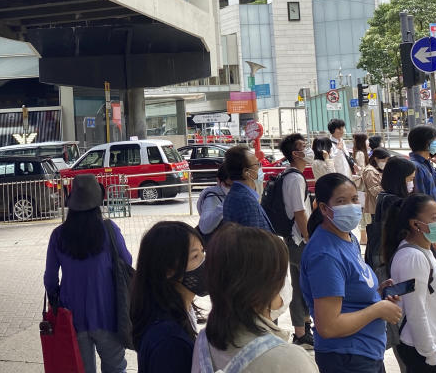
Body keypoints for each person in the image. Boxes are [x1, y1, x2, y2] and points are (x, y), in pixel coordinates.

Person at [300, 174, 402, 373]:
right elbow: (328, 327)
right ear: (323, 208)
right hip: (347, 358)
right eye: (341, 201)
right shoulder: (325, 255)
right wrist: (377, 309)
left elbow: (349, 287)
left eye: (355, 199)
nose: (352, 206)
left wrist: (376, 293)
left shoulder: (347, 238)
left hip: (366, 352)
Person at [191, 224, 318, 373]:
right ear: (260, 288)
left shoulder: (203, 342)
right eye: (281, 277)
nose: (284, 285)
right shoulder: (289, 360)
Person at [44, 174, 131, 373]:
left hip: (72, 317)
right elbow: (127, 261)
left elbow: (50, 277)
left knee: (81, 369)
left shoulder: (58, 235)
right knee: (116, 368)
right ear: (97, 203)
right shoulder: (109, 230)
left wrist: (55, 298)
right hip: (107, 313)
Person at [385, 194, 436, 372]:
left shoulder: (423, 250)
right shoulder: (412, 257)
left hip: (432, 346)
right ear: (415, 224)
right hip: (422, 351)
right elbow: (416, 310)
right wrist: (431, 355)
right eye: (434, 218)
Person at [131, 221, 206, 373]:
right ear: (169, 271)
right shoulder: (170, 343)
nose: (205, 262)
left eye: (203, 252)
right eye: (195, 256)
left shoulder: (175, 313)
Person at [277, 133, 314, 348]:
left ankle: (304, 329)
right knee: (303, 286)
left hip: (294, 239)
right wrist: (309, 238)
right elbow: (299, 212)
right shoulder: (294, 178)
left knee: (301, 285)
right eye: (303, 146)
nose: (307, 149)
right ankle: (301, 332)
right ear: (295, 153)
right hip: (299, 240)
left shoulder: (291, 175)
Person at [365, 155, 416, 273]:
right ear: (398, 179)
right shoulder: (394, 201)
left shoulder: (383, 196)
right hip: (387, 256)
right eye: (410, 179)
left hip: (380, 252)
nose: (412, 183)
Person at [222, 145, 273, 233]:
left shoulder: (239, 194)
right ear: (247, 173)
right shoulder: (245, 200)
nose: (260, 168)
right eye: (257, 164)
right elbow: (254, 240)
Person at [406, 126, 436, 223]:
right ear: (426, 143)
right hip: (428, 224)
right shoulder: (416, 167)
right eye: (434, 140)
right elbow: (420, 201)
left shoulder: (427, 164)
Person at [196, 164, 231, 240]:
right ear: (218, 180)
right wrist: (224, 205)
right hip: (218, 244)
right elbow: (204, 227)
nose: (233, 189)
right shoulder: (211, 197)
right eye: (229, 185)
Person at [361, 148, 389, 227]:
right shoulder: (370, 171)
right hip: (373, 210)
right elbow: (375, 191)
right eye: (384, 160)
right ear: (376, 159)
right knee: (375, 236)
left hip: (378, 208)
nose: (385, 163)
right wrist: (389, 183)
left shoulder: (378, 170)